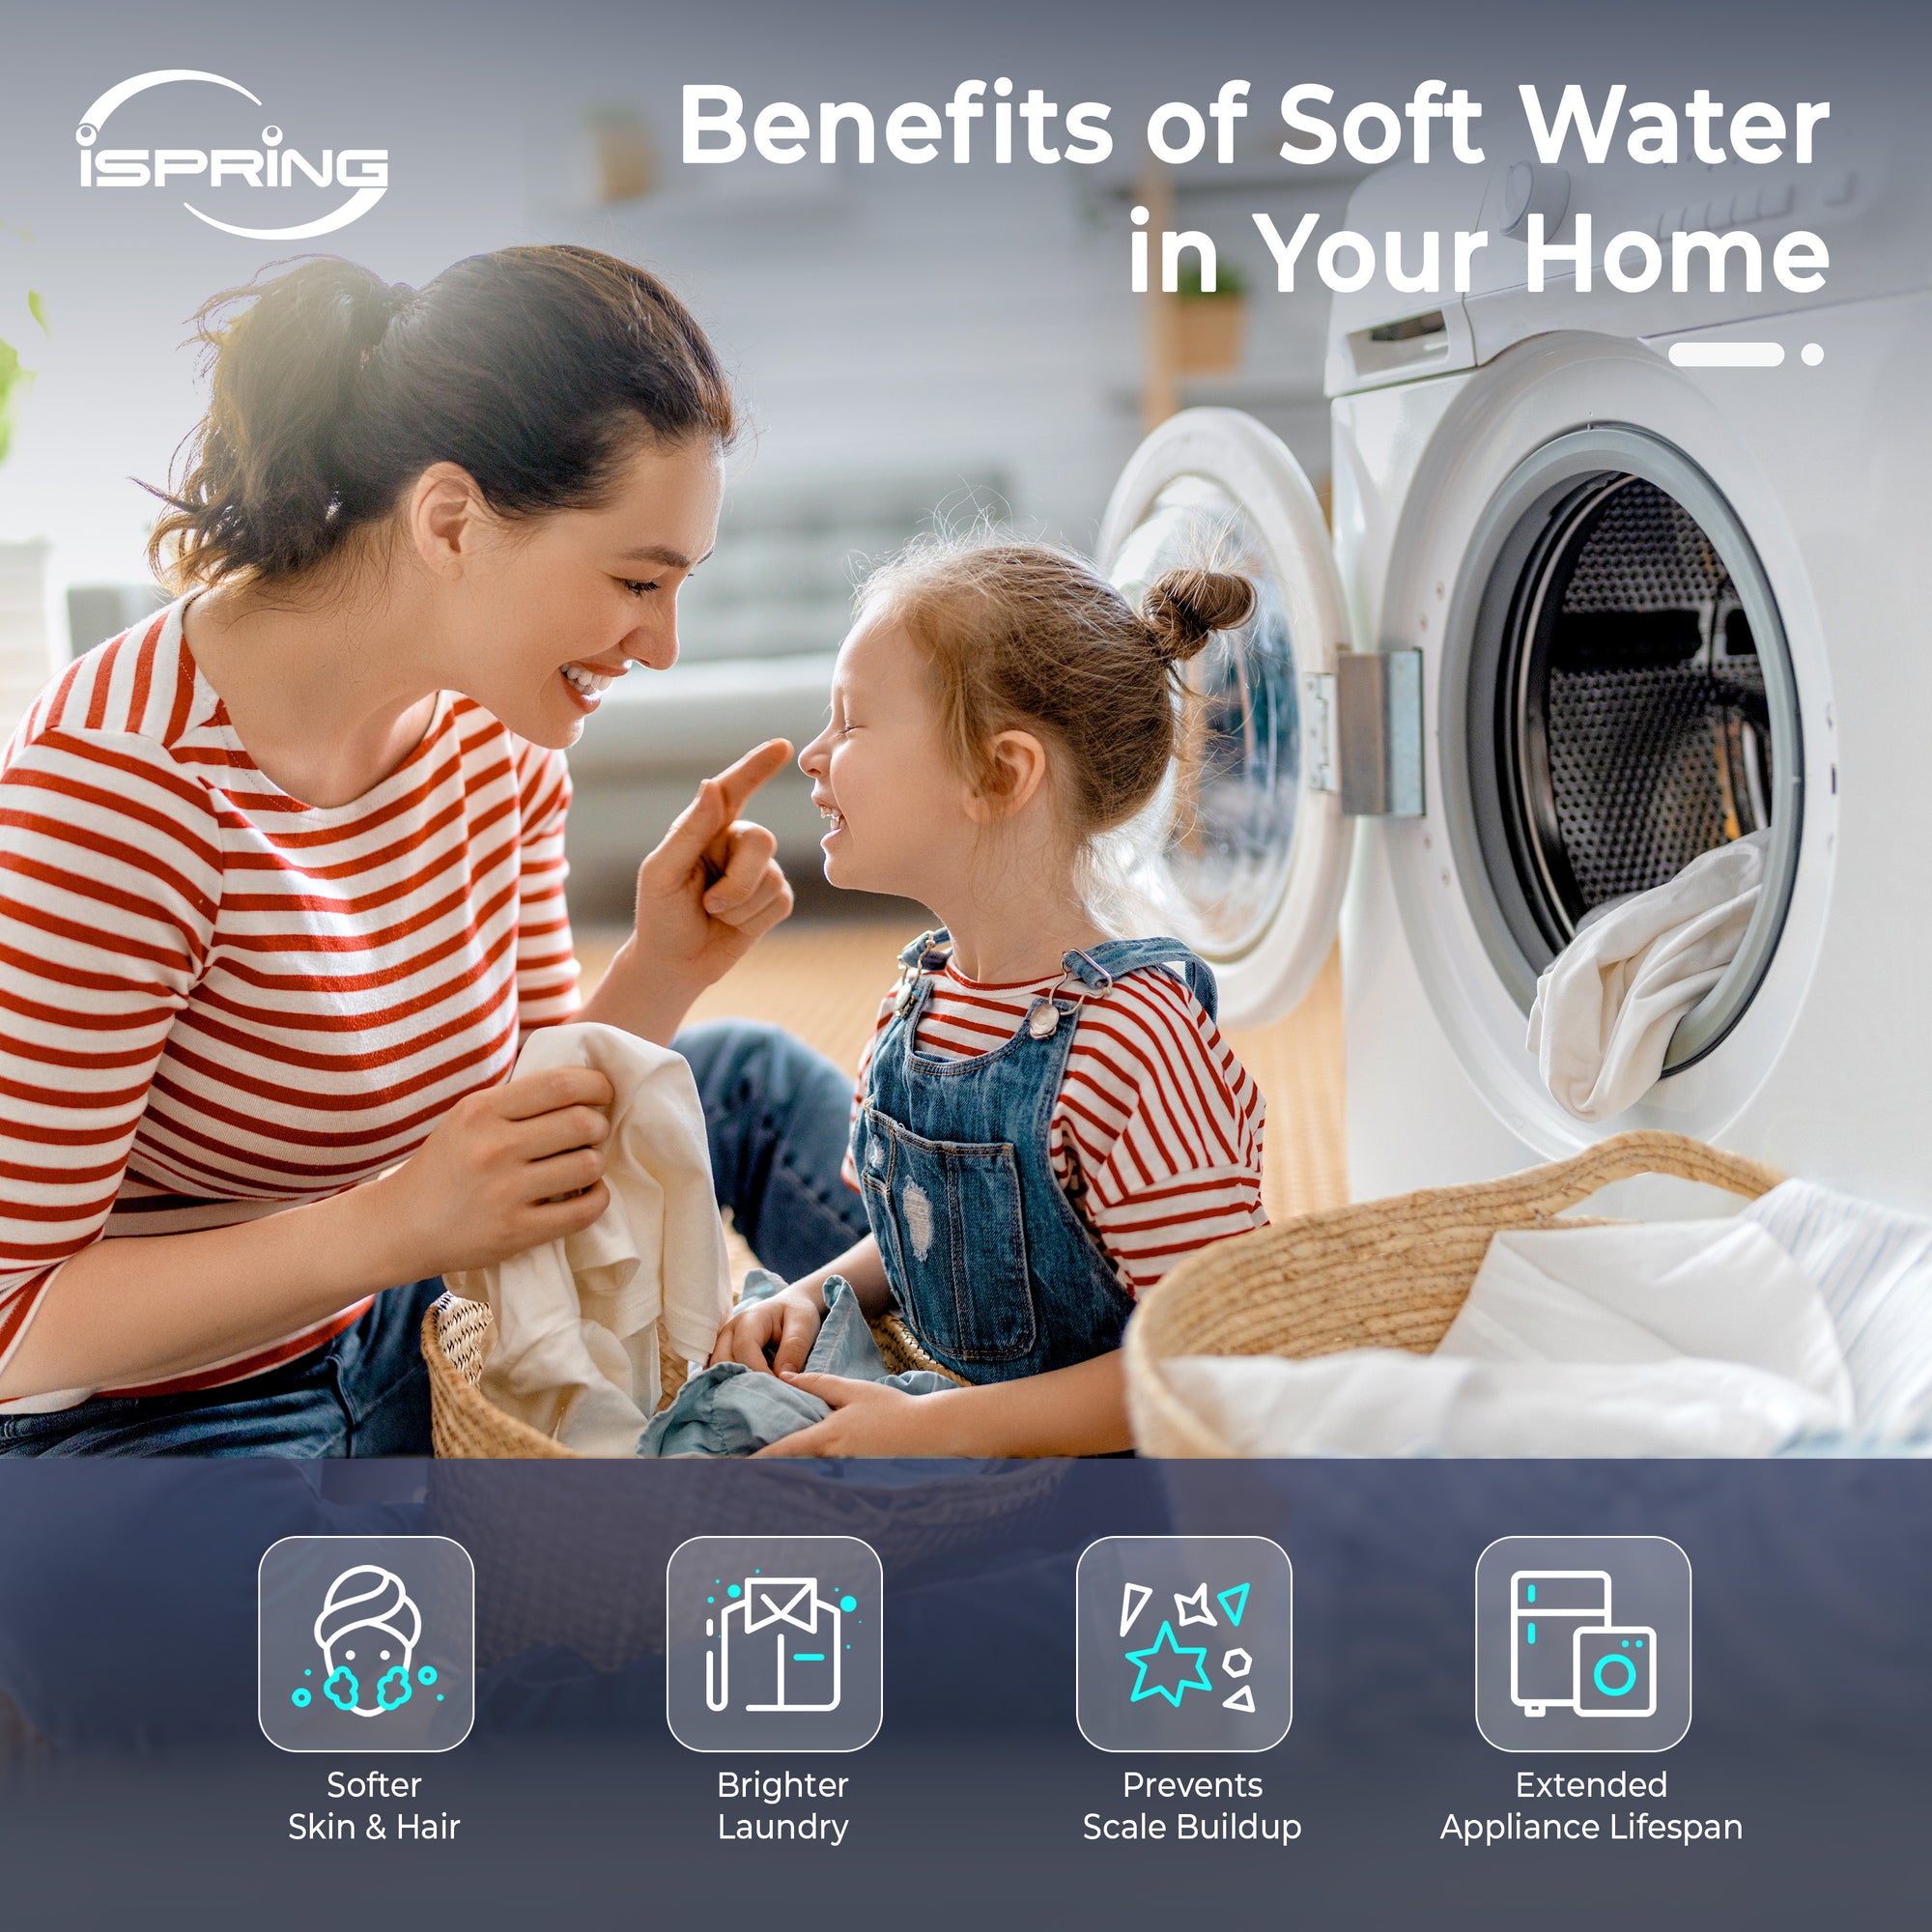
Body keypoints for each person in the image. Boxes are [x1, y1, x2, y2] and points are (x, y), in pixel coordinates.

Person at [0, 246, 807, 1454]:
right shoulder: (117, 794)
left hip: (415, 1316)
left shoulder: (499, 729)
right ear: (449, 522)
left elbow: (508, 1132)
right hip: (168, 1408)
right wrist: (389, 1226)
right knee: (353, 1632)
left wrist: (662, 969)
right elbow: (17, 1322)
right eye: (637, 579)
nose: (663, 645)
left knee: (745, 1077)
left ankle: (983, 1370)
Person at [706, 539, 1269, 1456]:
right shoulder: (917, 1003)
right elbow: (921, 1235)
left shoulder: (1135, 1044)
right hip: (951, 1426)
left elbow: (1210, 1355)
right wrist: (816, 1292)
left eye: (850, 723)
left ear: (1000, 775)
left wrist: (931, 1429)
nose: (812, 755)